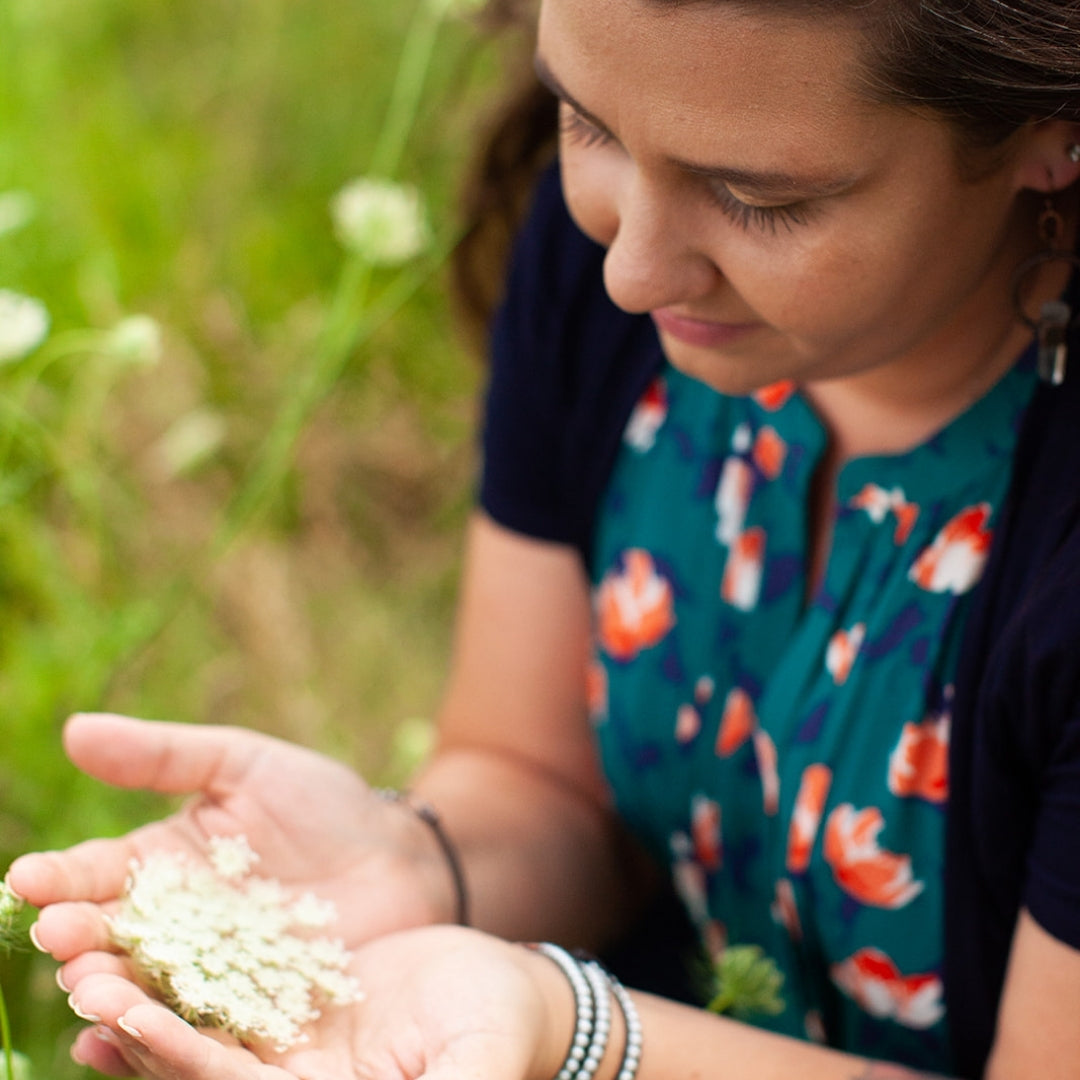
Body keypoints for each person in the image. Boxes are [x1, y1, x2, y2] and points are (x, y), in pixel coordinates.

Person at [8, 0, 1080, 1078]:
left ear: (1051, 129)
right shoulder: (612, 269)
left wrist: (575, 1034)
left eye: (761, 199)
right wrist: (416, 860)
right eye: (589, 125)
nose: (633, 272)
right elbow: (544, 780)